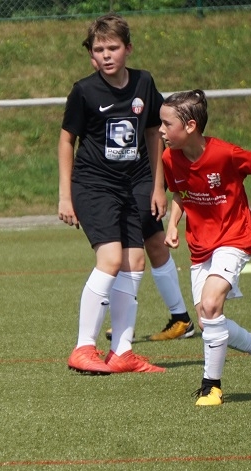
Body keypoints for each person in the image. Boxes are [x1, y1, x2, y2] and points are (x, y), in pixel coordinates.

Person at [160, 89, 251, 405]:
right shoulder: (169, 158)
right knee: (208, 322)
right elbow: (180, 194)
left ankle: (211, 386)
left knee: (211, 304)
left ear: (190, 126)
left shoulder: (225, 154)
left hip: (235, 238)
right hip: (200, 245)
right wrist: (173, 224)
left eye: (166, 124)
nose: (160, 130)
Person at [58, 14, 165, 374]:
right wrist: (64, 196)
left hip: (134, 184)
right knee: (111, 259)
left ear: (128, 48)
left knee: (135, 261)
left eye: (113, 48)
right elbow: (66, 140)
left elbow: (154, 133)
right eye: (98, 49)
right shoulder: (84, 91)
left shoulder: (144, 82)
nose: (106, 55)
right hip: (94, 184)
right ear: (91, 55)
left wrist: (158, 186)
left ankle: (122, 351)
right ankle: (83, 347)